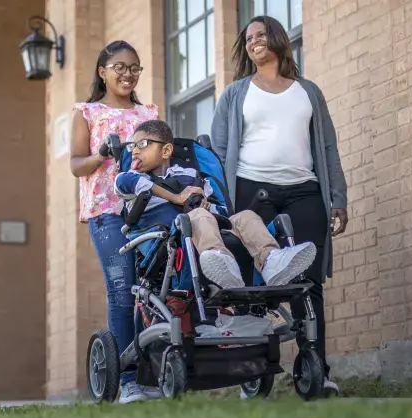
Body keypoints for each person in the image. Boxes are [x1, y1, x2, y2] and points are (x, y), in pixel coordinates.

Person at [210, 15, 349, 394]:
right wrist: (222, 204)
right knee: (251, 285)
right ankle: (252, 371)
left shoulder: (308, 91)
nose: (254, 41)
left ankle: (316, 368)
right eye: (248, 37)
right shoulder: (236, 93)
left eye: (260, 34)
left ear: (277, 39)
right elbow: (220, 151)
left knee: (308, 282)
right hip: (252, 192)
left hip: (305, 191)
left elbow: (327, 149)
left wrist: (337, 198)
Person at [115, 120, 318, 291]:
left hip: (208, 224)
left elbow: (221, 212)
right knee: (197, 216)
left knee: (246, 216)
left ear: (166, 150)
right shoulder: (129, 178)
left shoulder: (193, 176)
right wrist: (177, 198)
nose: (134, 151)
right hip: (170, 238)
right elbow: (137, 184)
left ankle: (271, 260)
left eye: (142, 144)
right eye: (133, 146)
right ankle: (221, 262)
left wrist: (206, 204)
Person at [69, 40, 160, 404]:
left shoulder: (148, 113)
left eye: (135, 68)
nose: (128, 74)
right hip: (107, 213)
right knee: (123, 291)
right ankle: (126, 381)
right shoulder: (87, 112)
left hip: (149, 211)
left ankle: (148, 375)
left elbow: (161, 159)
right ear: (103, 71)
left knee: (150, 294)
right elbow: (76, 165)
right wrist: (102, 153)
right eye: (120, 67)